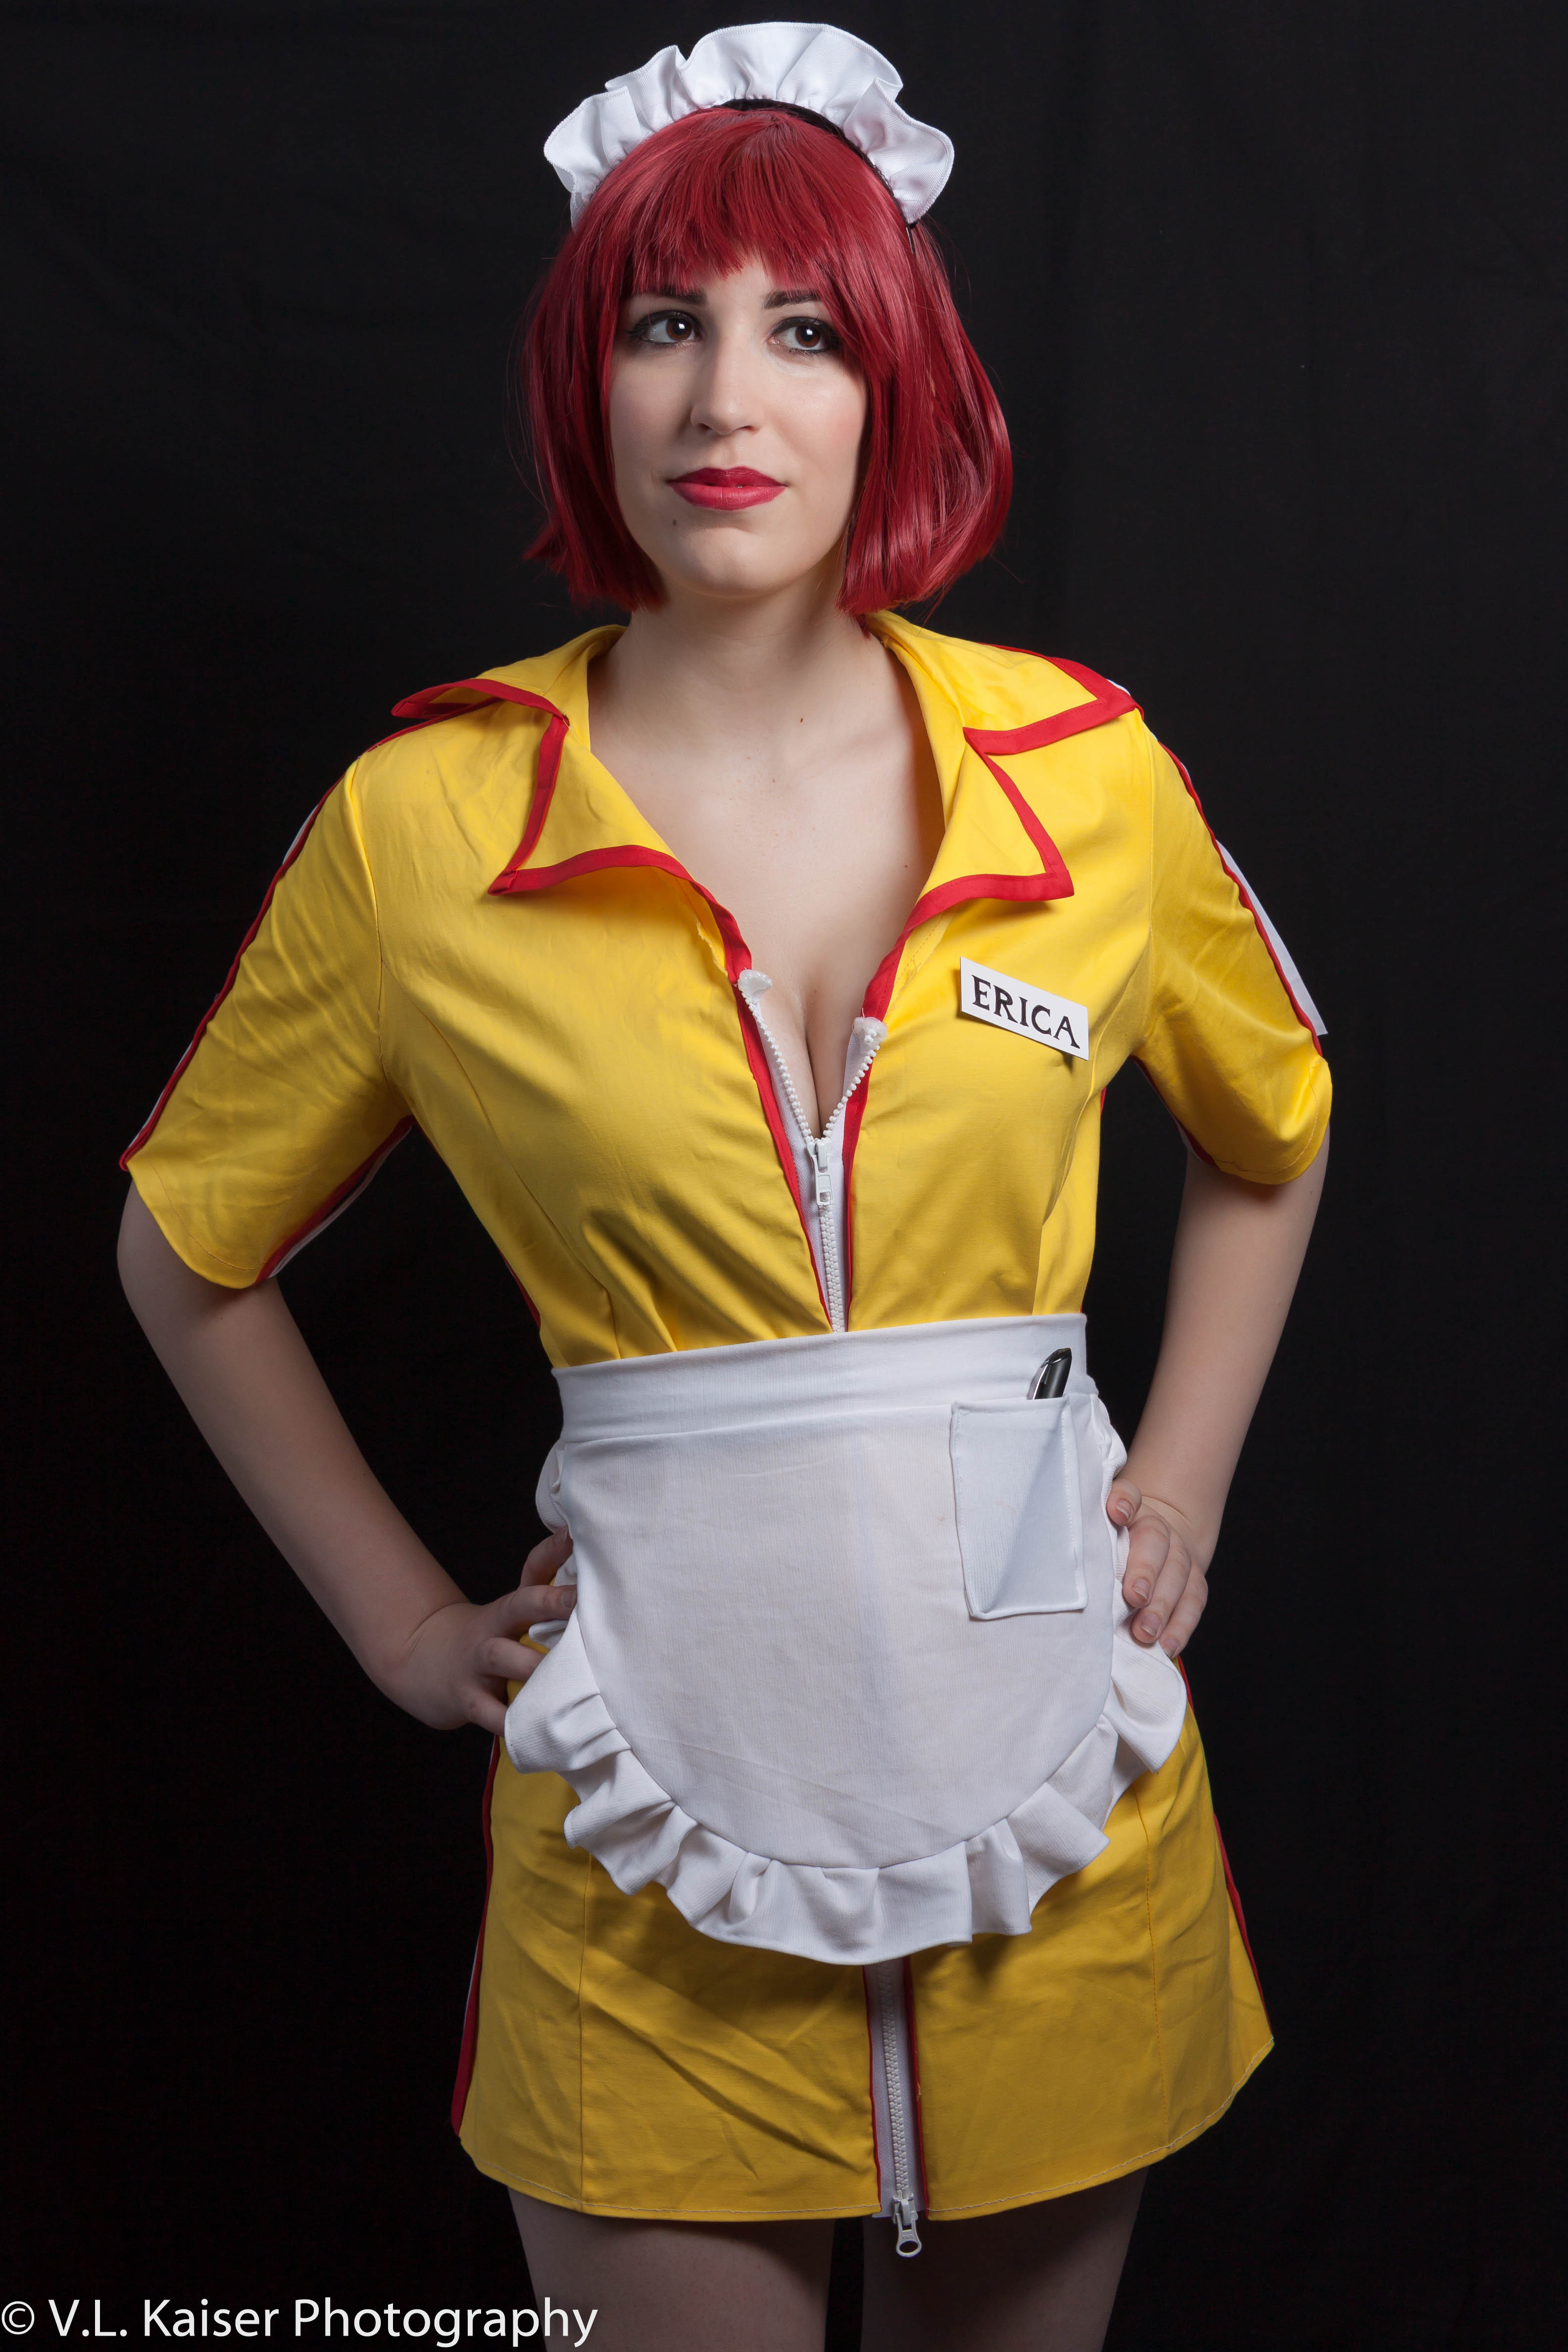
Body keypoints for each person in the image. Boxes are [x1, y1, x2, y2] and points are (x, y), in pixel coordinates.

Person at [117, 25, 1330, 2352]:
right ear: (586, 380)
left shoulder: (1089, 775)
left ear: (898, 381)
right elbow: (185, 1254)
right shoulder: (423, 830)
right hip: (646, 1838)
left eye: (805, 331)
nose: (723, 400)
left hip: (1060, 1817)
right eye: (664, 325)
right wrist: (401, 1625)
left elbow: (1274, 1132)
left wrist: (1176, 1483)